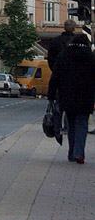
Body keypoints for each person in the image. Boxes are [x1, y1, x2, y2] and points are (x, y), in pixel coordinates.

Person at [48, 34, 95, 164]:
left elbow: (55, 76)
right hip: (86, 96)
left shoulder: (64, 55)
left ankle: (72, 153)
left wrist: (51, 95)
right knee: (82, 124)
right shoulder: (90, 57)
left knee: (71, 124)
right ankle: (79, 153)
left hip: (67, 95)